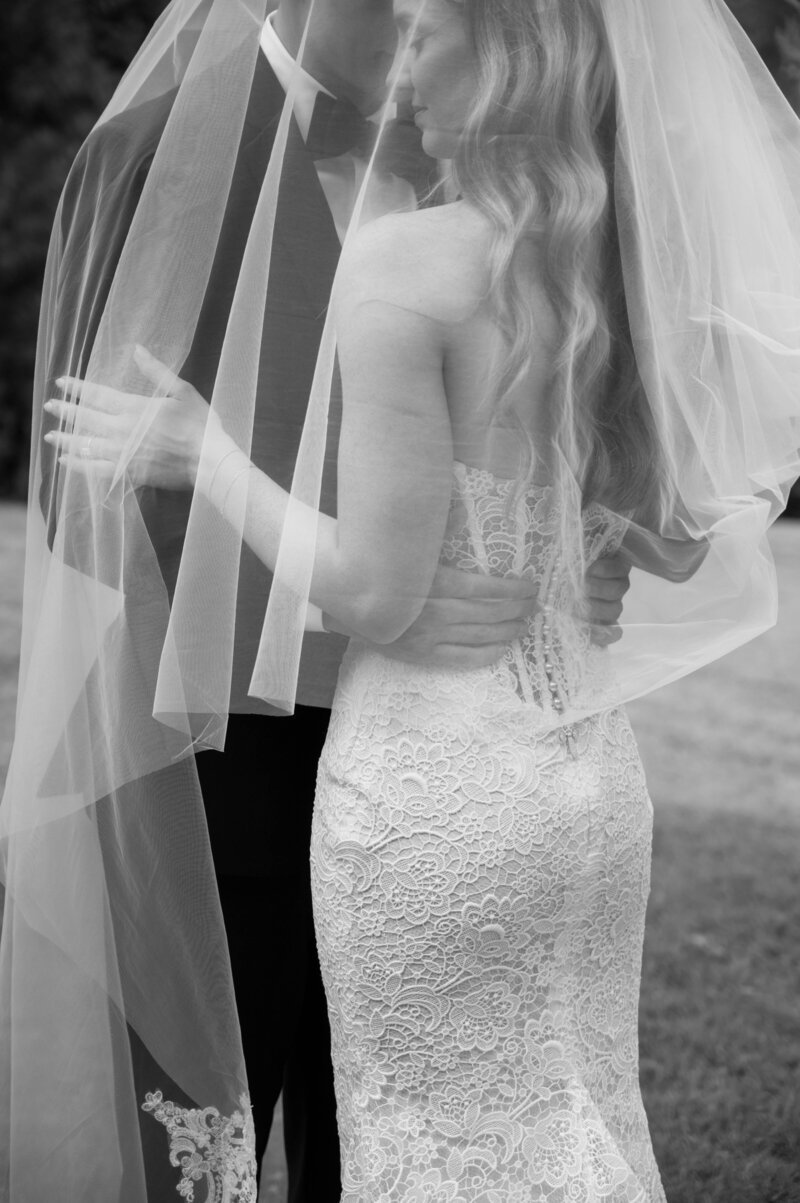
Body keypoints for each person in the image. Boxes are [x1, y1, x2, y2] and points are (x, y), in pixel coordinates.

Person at [47, 0, 800, 1197]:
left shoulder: (476, 211)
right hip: (254, 749)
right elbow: (90, 489)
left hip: (431, 765)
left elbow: (569, 492)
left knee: (404, 1133)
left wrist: (563, 549)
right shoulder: (161, 147)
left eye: (423, 24)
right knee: (249, 1132)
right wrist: (382, 599)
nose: (402, 47)